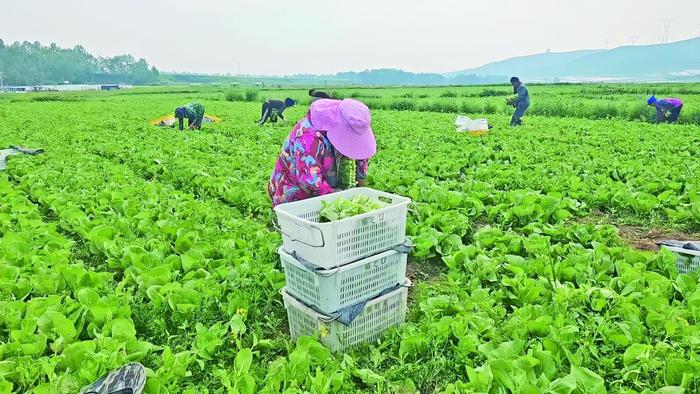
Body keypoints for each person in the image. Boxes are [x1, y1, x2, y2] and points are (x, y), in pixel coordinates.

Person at [268, 98, 376, 206]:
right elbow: (310, 183)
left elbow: (359, 155)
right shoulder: (308, 136)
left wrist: (362, 191)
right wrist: (343, 200)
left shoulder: (353, 123)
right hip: (295, 197)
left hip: (329, 190)